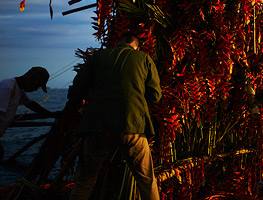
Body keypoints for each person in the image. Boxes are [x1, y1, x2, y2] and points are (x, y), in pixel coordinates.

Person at [67, 32, 162, 200]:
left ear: (117, 43)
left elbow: (77, 90)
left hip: (97, 125)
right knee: (146, 181)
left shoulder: (98, 57)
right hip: (133, 126)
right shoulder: (144, 58)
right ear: (136, 47)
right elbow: (155, 96)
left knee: (84, 183)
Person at [0, 66, 57, 160]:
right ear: (31, 79)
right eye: (37, 85)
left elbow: (31, 104)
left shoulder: (19, 89)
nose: (35, 89)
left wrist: (51, 114)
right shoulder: (8, 87)